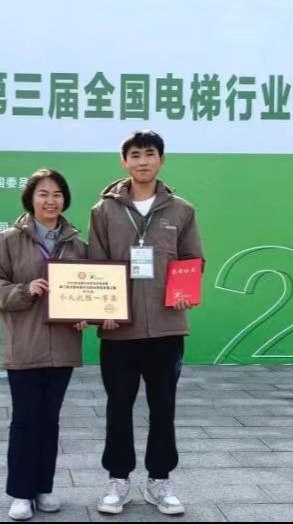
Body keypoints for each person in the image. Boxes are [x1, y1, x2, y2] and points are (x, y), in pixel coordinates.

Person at [88, 130, 204, 516]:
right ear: (124, 161)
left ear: (161, 160)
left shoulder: (181, 210)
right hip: (119, 329)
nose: (143, 161)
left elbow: (192, 259)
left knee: (163, 406)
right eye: (135, 155)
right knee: (118, 407)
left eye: (150, 154)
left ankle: (160, 481)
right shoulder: (103, 211)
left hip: (167, 327)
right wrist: (101, 310)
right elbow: (97, 266)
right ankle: (118, 479)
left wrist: (187, 290)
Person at [0, 168, 89, 520]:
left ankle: (44, 487)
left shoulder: (77, 245)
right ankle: (21, 493)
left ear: (65, 199)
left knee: (50, 420)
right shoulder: (8, 240)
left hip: (63, 347)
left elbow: (91, 289)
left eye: (57, 194)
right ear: (30, 199)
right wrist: (25, 290)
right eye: (43, 194)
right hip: (24, 344)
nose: (50, 200)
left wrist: (86, 314)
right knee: (26, 419)